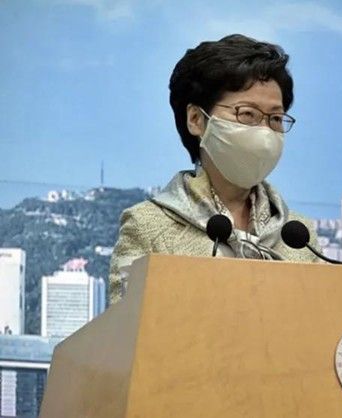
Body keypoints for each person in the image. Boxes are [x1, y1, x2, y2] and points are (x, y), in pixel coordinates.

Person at [109, 34, 320, 304]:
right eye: (247, 114)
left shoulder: (299, 235)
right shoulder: (149, 226)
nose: (265, 132)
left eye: (276, 118)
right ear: (196, 119)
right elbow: (128, 325)